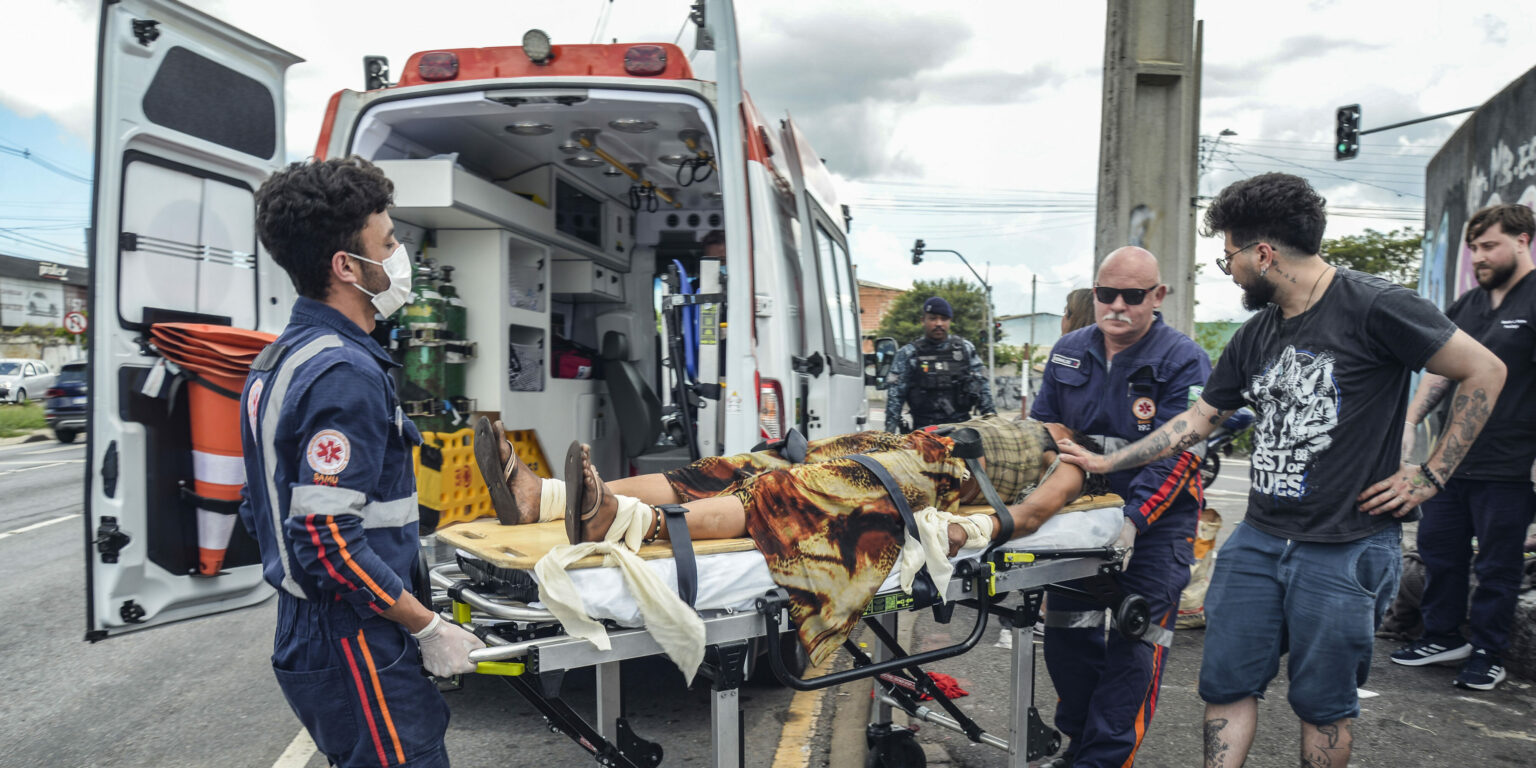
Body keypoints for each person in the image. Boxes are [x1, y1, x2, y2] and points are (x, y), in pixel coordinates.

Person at [1056, 173, 1506, 768]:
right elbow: (1199, 421)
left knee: (1323, 703)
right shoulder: (1256, 334)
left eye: (1229, 259)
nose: (1231, 272)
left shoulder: (1376, 306)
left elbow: (1485, 370)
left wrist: (1433, 472)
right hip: (1260, 540)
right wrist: (1109, 460)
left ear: (1262, 253)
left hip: (1343, 545)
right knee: (1225, 685)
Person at [474, 414, 1108, 664]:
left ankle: (621, 522)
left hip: (930, 476)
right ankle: (544, 499)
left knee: (795, 495)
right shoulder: (1029, 417)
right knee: (742, 465)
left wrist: (966, 530)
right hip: (904, 447)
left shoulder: (1074, 467)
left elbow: (1022, 519)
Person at [240, 157, 484, 768]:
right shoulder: (344, 373)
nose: (400, 257)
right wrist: (426, 625)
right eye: (391, 243)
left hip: (319, 624)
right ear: (346, 267)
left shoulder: (281, 358)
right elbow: (328, 541)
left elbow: (260, 505)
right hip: (352, 632)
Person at [1027, 246, 1211, 768]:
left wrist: (1131, 523)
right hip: (1080, 522)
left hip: (1155, 531)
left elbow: (1178, 457)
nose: (1117, 307)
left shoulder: (1182, 360)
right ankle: (1079, 749)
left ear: (1157, 296)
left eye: (1133, 297)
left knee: (1135, 647)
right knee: (1069, 641)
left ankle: (1104, 761)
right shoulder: (1068, 351)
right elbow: (1049, 429)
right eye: (1106, 294)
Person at [1391, 203, 1536, 691]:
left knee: (1498, 562)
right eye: (1473, 247)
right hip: (1450, 462)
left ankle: (1489, 652)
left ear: (1523, 241)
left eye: (1489, 245)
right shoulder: (1469, 306)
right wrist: (1411, 421)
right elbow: (1439, 370)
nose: (1479, 256)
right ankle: (1442, 635)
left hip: (1512, 465)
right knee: (1439, 550)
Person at [884, 296, 996, 432]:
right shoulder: (909, 353)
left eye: (944, 319)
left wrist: (992, 424)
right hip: (925, 431)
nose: (939, 323)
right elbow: (895, 396)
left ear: (950, 321)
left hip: (962, 429)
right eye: (933, 318)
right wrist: (888, 434)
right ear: (923, 321)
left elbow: (983, 386)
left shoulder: (965, 349)